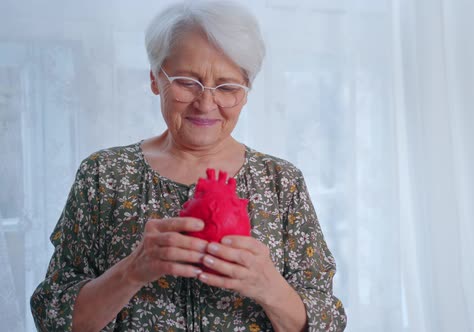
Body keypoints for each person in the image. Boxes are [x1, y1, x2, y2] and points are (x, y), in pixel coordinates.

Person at [29, 1, 346, 331]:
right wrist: (132, 271)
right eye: (186, 81)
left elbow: (329, 322)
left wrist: (269, 286)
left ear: (246, 92)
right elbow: (53, 317)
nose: (206, 103)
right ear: (155, 79)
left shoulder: (281, 182)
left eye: (226, 87)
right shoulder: (103, 175)